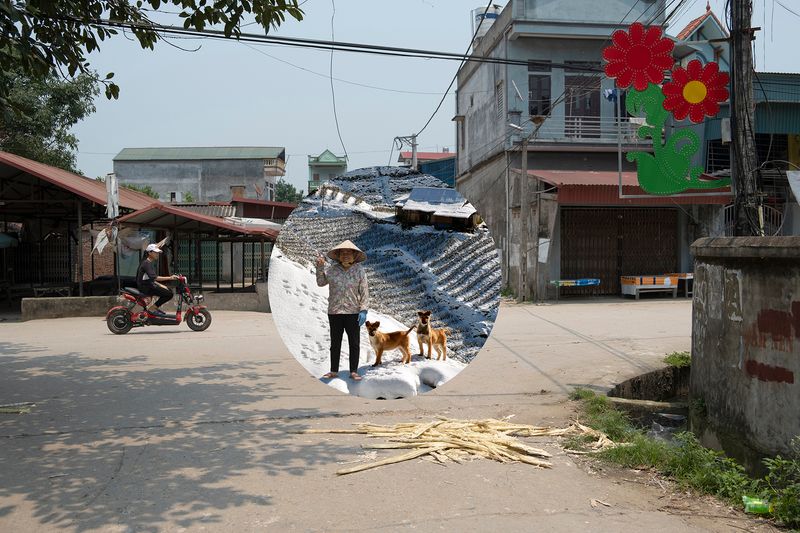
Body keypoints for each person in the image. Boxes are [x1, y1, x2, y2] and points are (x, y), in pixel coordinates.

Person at [315, 240, 369, 381]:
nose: (345, 255)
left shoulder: (359, 271)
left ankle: (354, 371)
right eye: (342, 253)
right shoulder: (332, 270)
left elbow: (364, 292)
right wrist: (320, 267)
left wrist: (363, 310)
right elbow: (321, 282)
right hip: (335, 312)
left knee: (354, 343)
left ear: (354, 255)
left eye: (348, 253)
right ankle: (333, 371)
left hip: (353, 312)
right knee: (335, 343)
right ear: (338, 255)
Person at [136, 243, 178, 316]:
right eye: (155, 252)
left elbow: (151, 278)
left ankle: (154, 308)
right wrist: (170, 277)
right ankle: (152, 309)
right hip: (146, 287)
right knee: (169, 294)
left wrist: (162, 286)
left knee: (168, 290)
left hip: (148, 285)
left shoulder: (148, 262)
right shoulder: (146, 263)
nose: (157, 254)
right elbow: (155, 278)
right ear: (149, 253)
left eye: (158, 253)